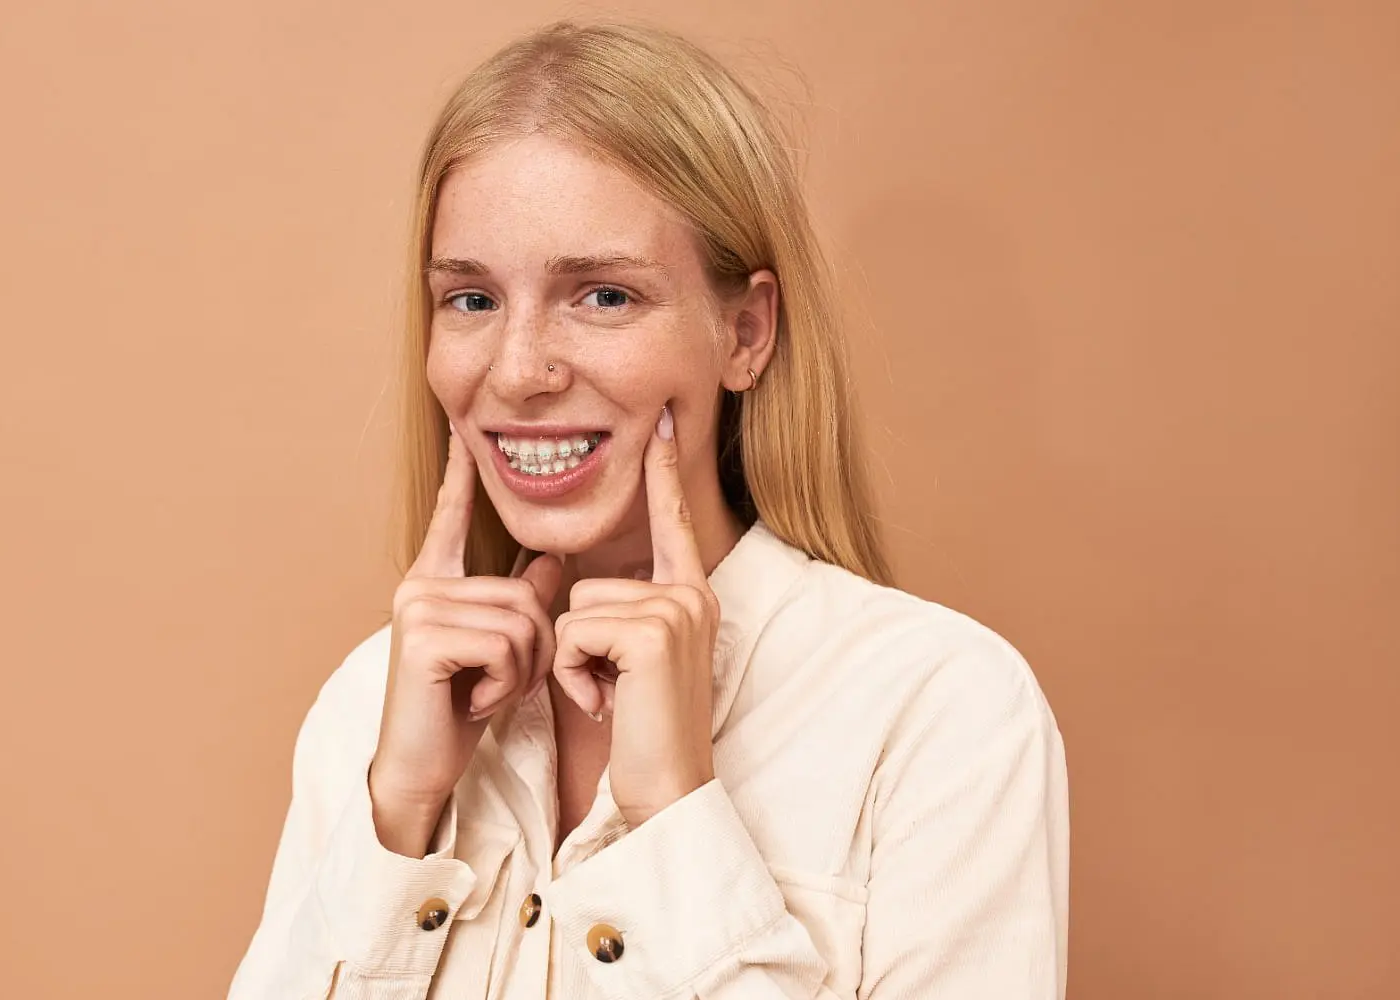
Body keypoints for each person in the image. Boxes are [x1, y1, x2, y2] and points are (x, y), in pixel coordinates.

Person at [228, 18, 1068, 1000]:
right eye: (471, 301)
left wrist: (674, 815)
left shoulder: (942, 712)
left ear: (746, 331)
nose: (518, 370)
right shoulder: (364, 712)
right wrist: (398, 810)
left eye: (604, 297)